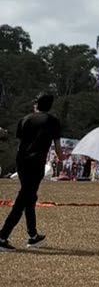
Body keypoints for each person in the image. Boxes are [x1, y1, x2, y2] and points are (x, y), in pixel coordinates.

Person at [1, 94, 64, 249]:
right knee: (24, 198)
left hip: (21, 162)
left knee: (29, 196)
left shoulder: (25, 119)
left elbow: (21, 143)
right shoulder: (52, 121)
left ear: (36, 104)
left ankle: (33, 235)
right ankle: (2, 235)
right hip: (36, 163)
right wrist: (62, 157)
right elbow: (57, 147)